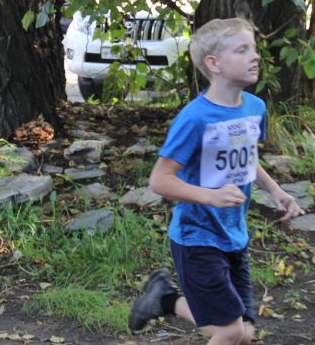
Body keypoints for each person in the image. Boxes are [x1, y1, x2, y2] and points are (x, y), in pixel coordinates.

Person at [128, 18, 303, 344]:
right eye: (242, 50)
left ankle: (164, 300)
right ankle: (165, 299)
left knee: (244, 332)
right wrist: (210, 196)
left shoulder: (255, 108)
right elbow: (160, 180)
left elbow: (245, 159)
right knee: (230, 331)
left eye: (253, 49)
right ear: (214, 63)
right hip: (197, 238)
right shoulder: (195, 118)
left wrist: (275, 190)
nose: (255, 56)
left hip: (233, 235)